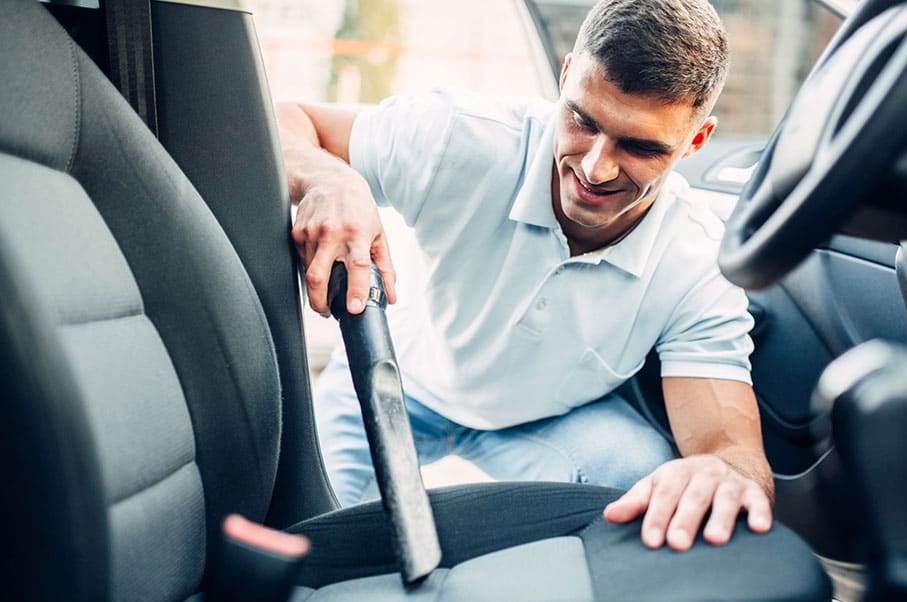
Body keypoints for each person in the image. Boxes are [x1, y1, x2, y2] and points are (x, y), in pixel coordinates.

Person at [276, 0, 773, 553]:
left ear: (695, 141)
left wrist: (723, 476)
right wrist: (331, 177)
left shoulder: (698, 263)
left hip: (543, 421)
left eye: (639, 146)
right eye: (583, 120)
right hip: (398, 375)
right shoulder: (460, 138)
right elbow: (286, 120)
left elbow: (729, 453)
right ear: (565, 79)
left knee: (648, 484)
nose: (594, 168)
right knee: (305, 541)